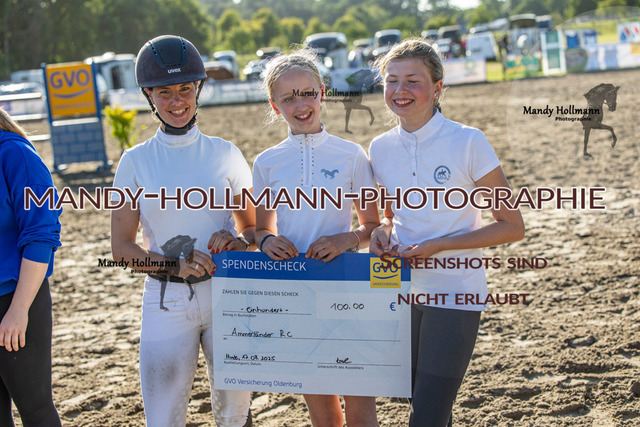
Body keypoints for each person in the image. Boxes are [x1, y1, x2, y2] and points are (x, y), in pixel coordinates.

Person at [368, 38, 525, 427]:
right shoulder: (380, 147)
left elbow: (512, 226)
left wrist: (439, 245)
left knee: (428, 413)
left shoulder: (468, 140)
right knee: (418, 400)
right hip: (399, 290)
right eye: (392, 81)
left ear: (437, 88)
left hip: (456, 292)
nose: (400, 90)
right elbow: (390, 215)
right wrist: (382, 232)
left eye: (413, 81)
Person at [110, 35, 255, 427]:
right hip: (166, 301)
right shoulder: (135, 161)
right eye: (164, 92)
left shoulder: (227, 153)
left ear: (198, 89)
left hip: (227, 294)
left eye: (185, 89)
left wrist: (239, 242)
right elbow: (121, 248)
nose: (177, 101)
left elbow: (254, 231)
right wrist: (174, 266)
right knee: (162, 419)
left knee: (235, 415)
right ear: (149, 95)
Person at [253, 50, 381, 426]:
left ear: (322, 94)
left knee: (359, 394)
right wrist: (266, 242)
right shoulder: (266, 162)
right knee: (319, 398)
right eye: (288, 98)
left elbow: (373, 226)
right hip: (296, 292)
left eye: (308, 94)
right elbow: (262, 229)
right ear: (275, 106)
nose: (301, 105)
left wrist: (347, 240)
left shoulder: (351, 155)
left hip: (347, 288)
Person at [0, 107, 62, 426]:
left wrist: (19, 309)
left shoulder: (15, 154)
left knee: (36, 412)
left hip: (14, 302)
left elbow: (41, 235)